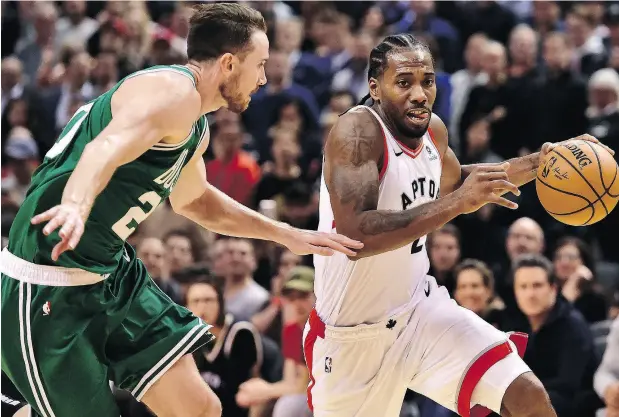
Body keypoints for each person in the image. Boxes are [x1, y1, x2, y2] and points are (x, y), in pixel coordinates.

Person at [0, 4, 362, 417]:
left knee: (201, 408)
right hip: (49, 281)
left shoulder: (195, 126)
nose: (263, 78)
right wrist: (76, 205)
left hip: (111, 273)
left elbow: (195, 202)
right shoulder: (173, 93)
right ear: (228, 63)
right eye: (258, 65)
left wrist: (286, 234)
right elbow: (106, 147)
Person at [309, 32, 612, 417]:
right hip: (352, 335)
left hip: (419, 311)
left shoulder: (432, 130)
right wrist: (456, 204)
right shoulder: (356, 133)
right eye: (404, 82)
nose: (419, 94)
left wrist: (542, 162)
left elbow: (460, 185)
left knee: (526, 395)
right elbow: (356, 233)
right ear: (375, 87)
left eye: (427, 81)